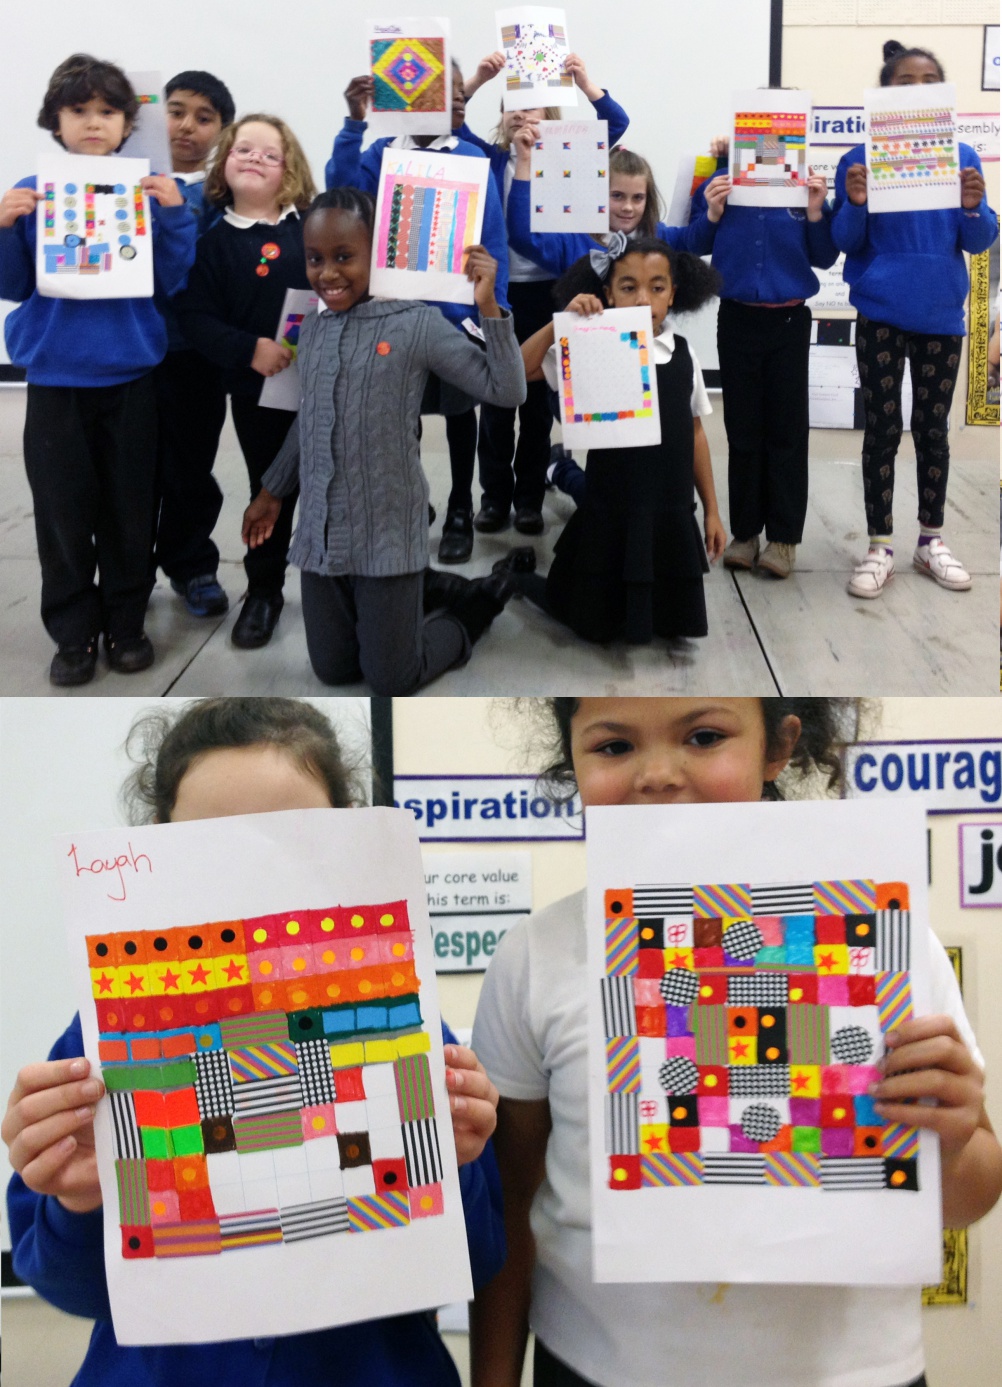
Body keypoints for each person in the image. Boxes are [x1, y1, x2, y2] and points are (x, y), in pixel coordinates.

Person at [471, 696, 1002, 1387]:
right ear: (570, 758)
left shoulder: (889, 943)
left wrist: (955, 1136)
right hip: (597, 1365)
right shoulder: (537, 956)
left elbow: (969, 1196)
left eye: (704, 735)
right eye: (612, 746)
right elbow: (509, 1198)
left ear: (778, 748)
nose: (658, 772)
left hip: (854, 1370)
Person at [4, 696, 504, 1387]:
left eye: (291, 841)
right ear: (157, 844)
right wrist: (76, 1201)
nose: (248, 880)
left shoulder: (395, 1019)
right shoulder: (102, 1045)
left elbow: (472, 1262)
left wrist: (462, 1161)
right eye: (208, 849)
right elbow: (75, 1289)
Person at [241, 187, 525, 695]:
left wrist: (490, 306)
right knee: (333, 670)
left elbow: (506, 389)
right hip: (322, 540)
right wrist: (271, 492)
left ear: (378, 253)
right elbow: (310, 420)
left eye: (344, 257)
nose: (327, 274)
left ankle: (474, 606)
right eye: (315, 259)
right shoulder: (314, 328)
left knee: (392, 679)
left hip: (388, 536)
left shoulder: (417, 324)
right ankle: (430, 588)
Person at [0, 53, 197, 686]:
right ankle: (73, 633)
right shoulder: (32, 190)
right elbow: (10, 285)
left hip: (131, 379)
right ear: (54, 119)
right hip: (57, 381)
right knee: (62, 516)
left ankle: (127, 622)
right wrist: (3, 226)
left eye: (108, 111)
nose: (93, 122)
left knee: (129, 509)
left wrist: (171, 216)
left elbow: (171, 280)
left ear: (126, 122)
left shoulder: (145, 191)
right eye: (78, 110)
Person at [494, 238, 724, 645]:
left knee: (665, 620)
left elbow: (695, 433)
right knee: (588, 620)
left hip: (668, 507)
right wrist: (559, 324)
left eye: (656, 287)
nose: (642, 299)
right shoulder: (588, 343)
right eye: (628, 287)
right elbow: (517, 372)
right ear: (608, 294)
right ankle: (517, 580)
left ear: (672, 294)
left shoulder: (683, 354)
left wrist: (711, 511)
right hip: (612, 507)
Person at [832, 41, 999, 599]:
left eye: (928, 79)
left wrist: (974, 207)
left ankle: (931, 541)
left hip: (940, 315)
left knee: (932, 431)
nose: (917, 87)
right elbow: (843, 242)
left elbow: (977, 242)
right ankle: (879, 545)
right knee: (881, 431)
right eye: (904, 81)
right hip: (880, 311)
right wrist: (855, 202)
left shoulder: (964, 157)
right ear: (884, 92)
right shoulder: (859, 155)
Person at [326, 63, 510, 566]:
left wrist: (493, 311)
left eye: (455, 92)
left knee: (458, 417)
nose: (451, 101)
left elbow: (493, 239)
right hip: (392, 319)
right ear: (407, 100)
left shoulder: (472, 157)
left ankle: (459, 508)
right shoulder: (382, 155)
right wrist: (353, 122)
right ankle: (412, 502)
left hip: (452, 320)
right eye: (437, 92)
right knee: (398, 420)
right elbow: (339, 198)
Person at [459, 50, 630, 539]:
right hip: (498, 295)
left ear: (550, 115)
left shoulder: (568, 157)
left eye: (534, 106)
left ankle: (529, 499)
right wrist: (478, 78)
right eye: (513, 104)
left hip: (549, 294)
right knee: (494, 406)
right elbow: (450, 125)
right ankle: (493, 497)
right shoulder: (488, 158)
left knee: (536, 408)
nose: (523, 113)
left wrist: (583, 80)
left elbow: (615, 124)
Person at [176, 114, 315, 649]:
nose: (255, 158)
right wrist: (246, 349)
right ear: (224, 163)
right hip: (260, 393)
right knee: (269, 487)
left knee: (332, 487)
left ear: (290, 169)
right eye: (243, 150)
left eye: (269, 153)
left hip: (329, 385)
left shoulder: (312, 227)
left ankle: (346, 586)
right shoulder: (211, 245)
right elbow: (196, 318)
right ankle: (264, 590)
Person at [690, 138, 836, 579]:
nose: (769, 144)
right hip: (736, 319)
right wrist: (713, 205)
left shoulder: (802, 188)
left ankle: (785, 540)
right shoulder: (721, 177)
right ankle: (746, 534)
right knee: (743, 429)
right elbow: (695, 240)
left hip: (789, 322)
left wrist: (815, 210)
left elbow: (826, 257)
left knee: (787, 432)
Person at [153, 69, 236, 620]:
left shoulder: (221, 197)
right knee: (131, 473)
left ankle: (191, 565)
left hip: (197, 358)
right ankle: (127, 575)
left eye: (204, 118)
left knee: (190, 467)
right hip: (132, 352)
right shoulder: (118, 186)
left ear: (223, 131)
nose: (187, 126)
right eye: (177, 110)